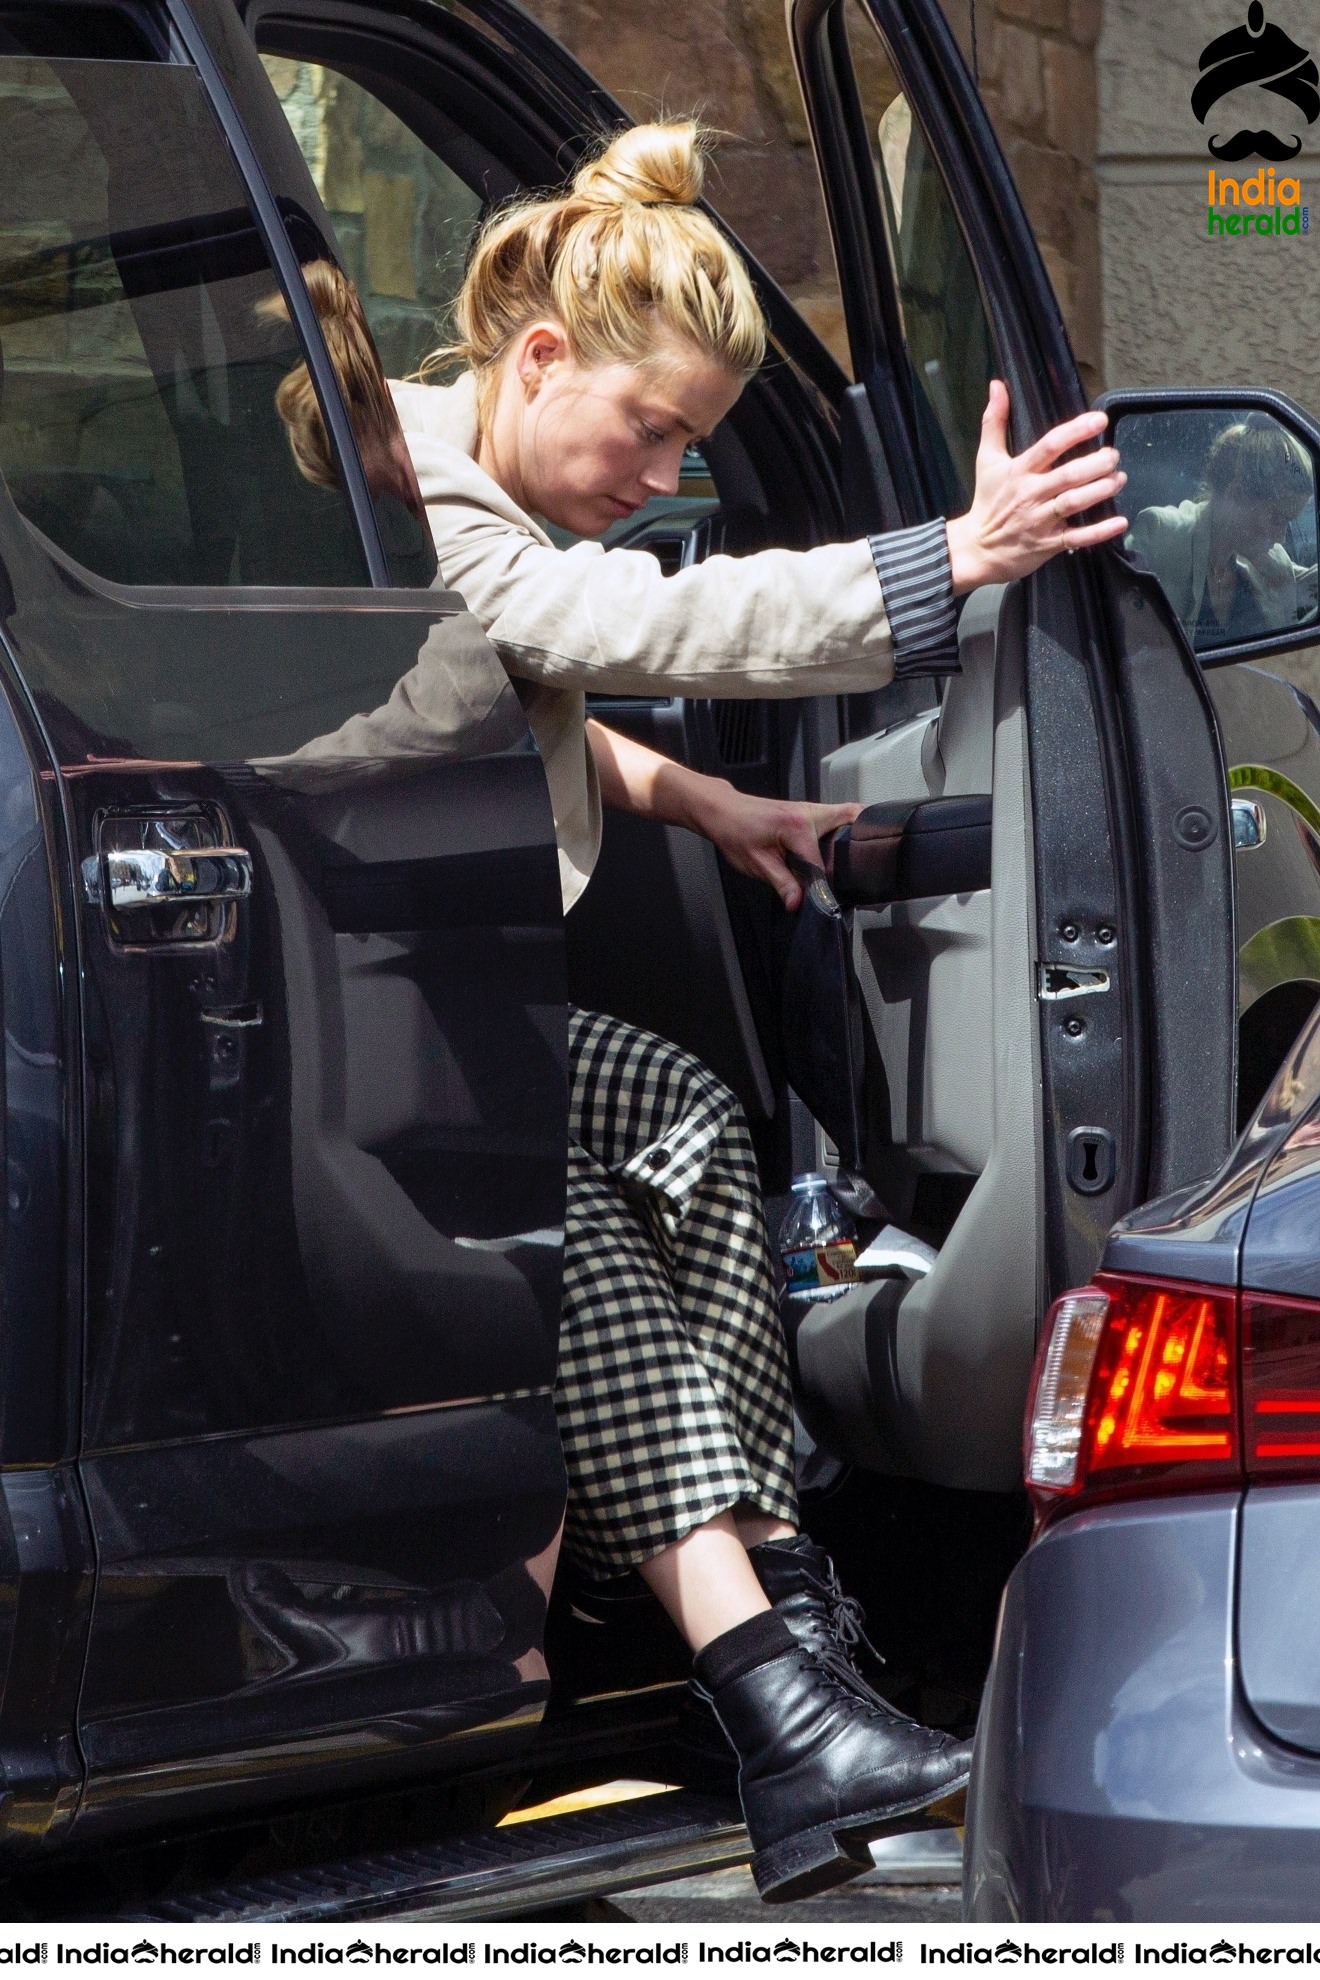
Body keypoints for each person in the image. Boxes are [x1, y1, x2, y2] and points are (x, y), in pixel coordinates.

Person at [271, 125, 1127, 1902]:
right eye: (650, 430)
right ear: (536, 360)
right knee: (566, 1215)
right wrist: (948, 560)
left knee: (677, 1106)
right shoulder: (412, 496)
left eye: (691, 448)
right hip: (302, 1025)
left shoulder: (471, 502)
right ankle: (771, 1690)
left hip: (435, 1004)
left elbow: (517, 699)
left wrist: (711, 807)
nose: (662, 475)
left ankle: (786, 1639)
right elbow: (619, 621)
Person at [1127, 411, 1316, 646]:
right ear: (1235, 495)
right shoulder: (1160, 534)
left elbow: (1313, 586)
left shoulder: (1270, 563)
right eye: (1277, 519)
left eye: (1290, 522)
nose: (1280, 537)